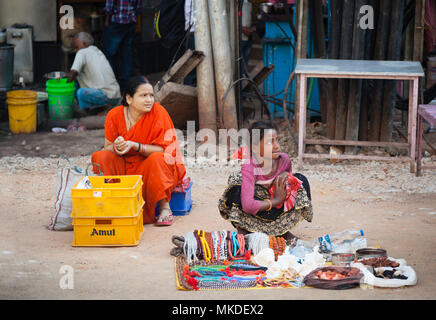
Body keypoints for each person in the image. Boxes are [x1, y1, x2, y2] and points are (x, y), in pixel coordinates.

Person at [91, 76, 186, 226]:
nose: (149, 100)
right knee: (100, 156)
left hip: (151, 168)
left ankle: (164, 207)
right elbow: (107, 147)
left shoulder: (158, 112)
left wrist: (135, 146)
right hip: (125, 167)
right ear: (129, 99)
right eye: (143, 96)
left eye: (151, 95)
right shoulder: (114, 115)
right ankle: (110, 203)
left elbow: (166, 150)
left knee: (159, 158)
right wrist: (118, 146)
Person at [218, 120, 313, 244]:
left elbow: (288, 191)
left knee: (300, 180)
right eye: (269, 142)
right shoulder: (250, 167)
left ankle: (282, 230)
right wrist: (276, 200)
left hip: (274, 206)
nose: (277, 146)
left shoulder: (284, 160)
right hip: (257, 207)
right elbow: (248, 206)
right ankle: (246, 229)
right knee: (236, 187)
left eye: (276, 140)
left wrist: (287, 176)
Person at [67, 32, 121, 111]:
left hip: (104, 96)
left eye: (76, 47)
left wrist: (64, 83)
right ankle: (101, 108)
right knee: (76, 84)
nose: (75, 51)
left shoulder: (82, 52)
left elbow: (73, 72)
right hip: (115, 97)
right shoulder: (97, 52)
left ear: (84, 44)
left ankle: (86, 111)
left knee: (80, 92)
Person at [103, 0, 142, 91]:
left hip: (117, 22)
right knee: (126, 55)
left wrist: (106, 20)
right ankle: (125, 84)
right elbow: (138, 8)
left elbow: (109, 6)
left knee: (110, 54)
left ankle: (110, 84)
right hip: (130, 22)